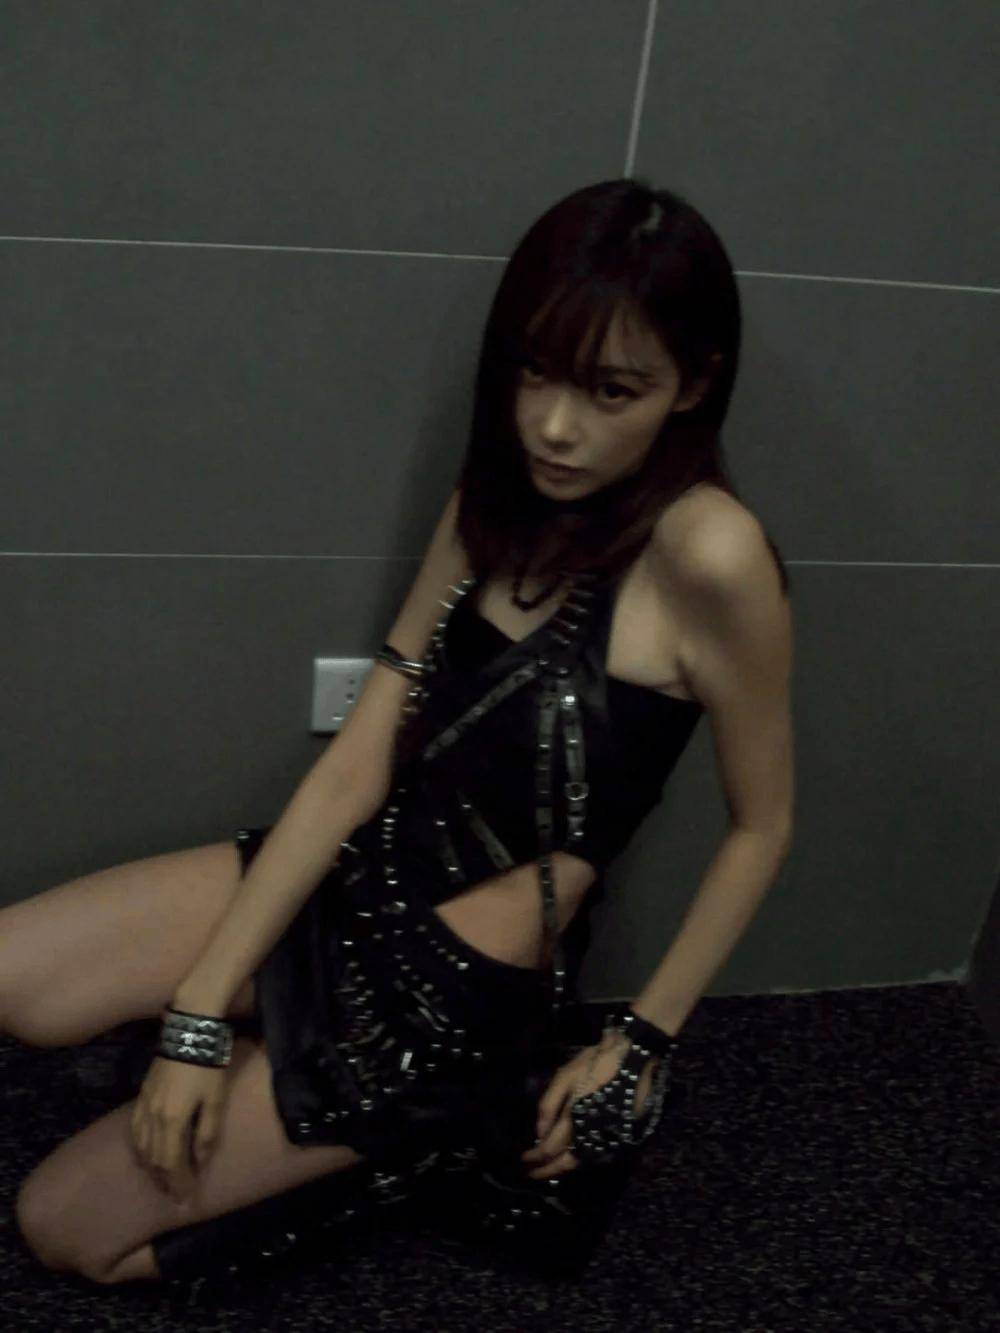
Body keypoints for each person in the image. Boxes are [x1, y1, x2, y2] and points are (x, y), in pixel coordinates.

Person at [4, 178, 794, 1290]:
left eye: (612, 390)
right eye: (535, 372)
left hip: (448, 991)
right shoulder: (498, 491)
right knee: (17, 980)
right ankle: (272, 1051)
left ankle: (428, 1141)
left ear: (693, 384)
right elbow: (362, 752)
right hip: (359, 876)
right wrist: (196, 1011)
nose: (554, 425)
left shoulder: (712, 557)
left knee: (64, 1227)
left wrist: (641, 1044)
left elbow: (762, 825)